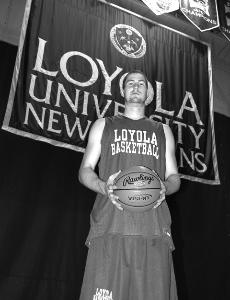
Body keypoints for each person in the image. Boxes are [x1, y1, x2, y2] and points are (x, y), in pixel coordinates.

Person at [78, 70, 181, 300]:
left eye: (141, 84)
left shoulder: (162, 131)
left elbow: (174, 177)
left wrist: (164, 188)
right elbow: (85, 170)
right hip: (110, 225)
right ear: (123, 91)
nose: (135, 87)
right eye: (130, 83)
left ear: (148, 93)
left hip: (153, 228)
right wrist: (103, 186)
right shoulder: (103, 125)